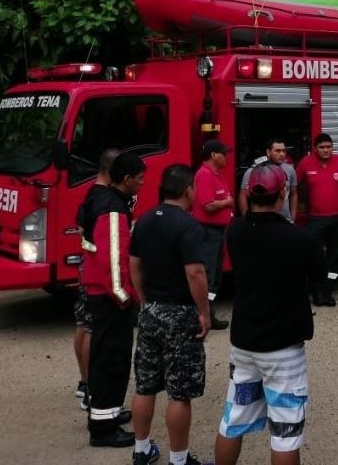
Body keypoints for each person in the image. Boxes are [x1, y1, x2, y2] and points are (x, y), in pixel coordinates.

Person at [213, 163, 327, 465]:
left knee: (233, 418)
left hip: (244, 345)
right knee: (285, 432)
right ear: (284, 192)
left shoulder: (235, 231)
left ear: (249, 193)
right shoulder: (300, 239)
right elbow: (319, 273)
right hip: (283, 351)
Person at [129, 164, 212, 465]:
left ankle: (141, 449)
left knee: (145, 385)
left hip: (150, 312)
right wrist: (204, 312)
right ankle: (179, 460)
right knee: (179, 392)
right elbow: (195, 272)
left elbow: (134, 265)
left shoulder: (144, 221)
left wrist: (144, 300)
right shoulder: (188, 225)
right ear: (189, 189)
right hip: (179, 314)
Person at [81, 151, 146, 447]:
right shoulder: (112, 209)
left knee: (106, 361)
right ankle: (103, 430)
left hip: (100, 294)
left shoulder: (102, 198)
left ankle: (105, 416)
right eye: (140, 178)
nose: (143, 183)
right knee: (112, 361)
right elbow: (114, 262)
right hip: (110, 300)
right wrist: (126, 298)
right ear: (127, 179)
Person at [74, 147, 120, 410]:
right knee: (92, 328)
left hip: (86, 267)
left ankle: (84, 383)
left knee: (83, 323)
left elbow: (82, 229)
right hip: (97, 272)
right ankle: (92, 387)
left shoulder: (90, 193)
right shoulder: (105, 198)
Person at [295, 133, 338, 306]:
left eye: (329, 147)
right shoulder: (305, 163)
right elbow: (294, 187)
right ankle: (315, 291)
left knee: (335, 257)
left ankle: (328, 292)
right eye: (322, 147)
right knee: (315, 256)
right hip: (316, 219)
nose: (326, 150)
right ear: (315, 149)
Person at [193, 138, 235, 329]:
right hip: (208, 232)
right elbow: (208, 205)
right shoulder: (204, 175)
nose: (226, 157)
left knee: (216, 274)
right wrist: (227, 202)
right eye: (223, 153)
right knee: (208, 273)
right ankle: (202, 317)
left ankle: (209, 313)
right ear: (213, 155)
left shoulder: (216, 174)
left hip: (218, 232)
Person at [239, 138, 299, 222]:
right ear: (268, 152)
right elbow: (243, 195)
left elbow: (293, 194)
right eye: (277, 151)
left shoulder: (290, 170)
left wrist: (292, 218)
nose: (282, 154)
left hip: (284, 221)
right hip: (259, 221)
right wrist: (246, 219)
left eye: (284, 151)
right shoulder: (254, 171)